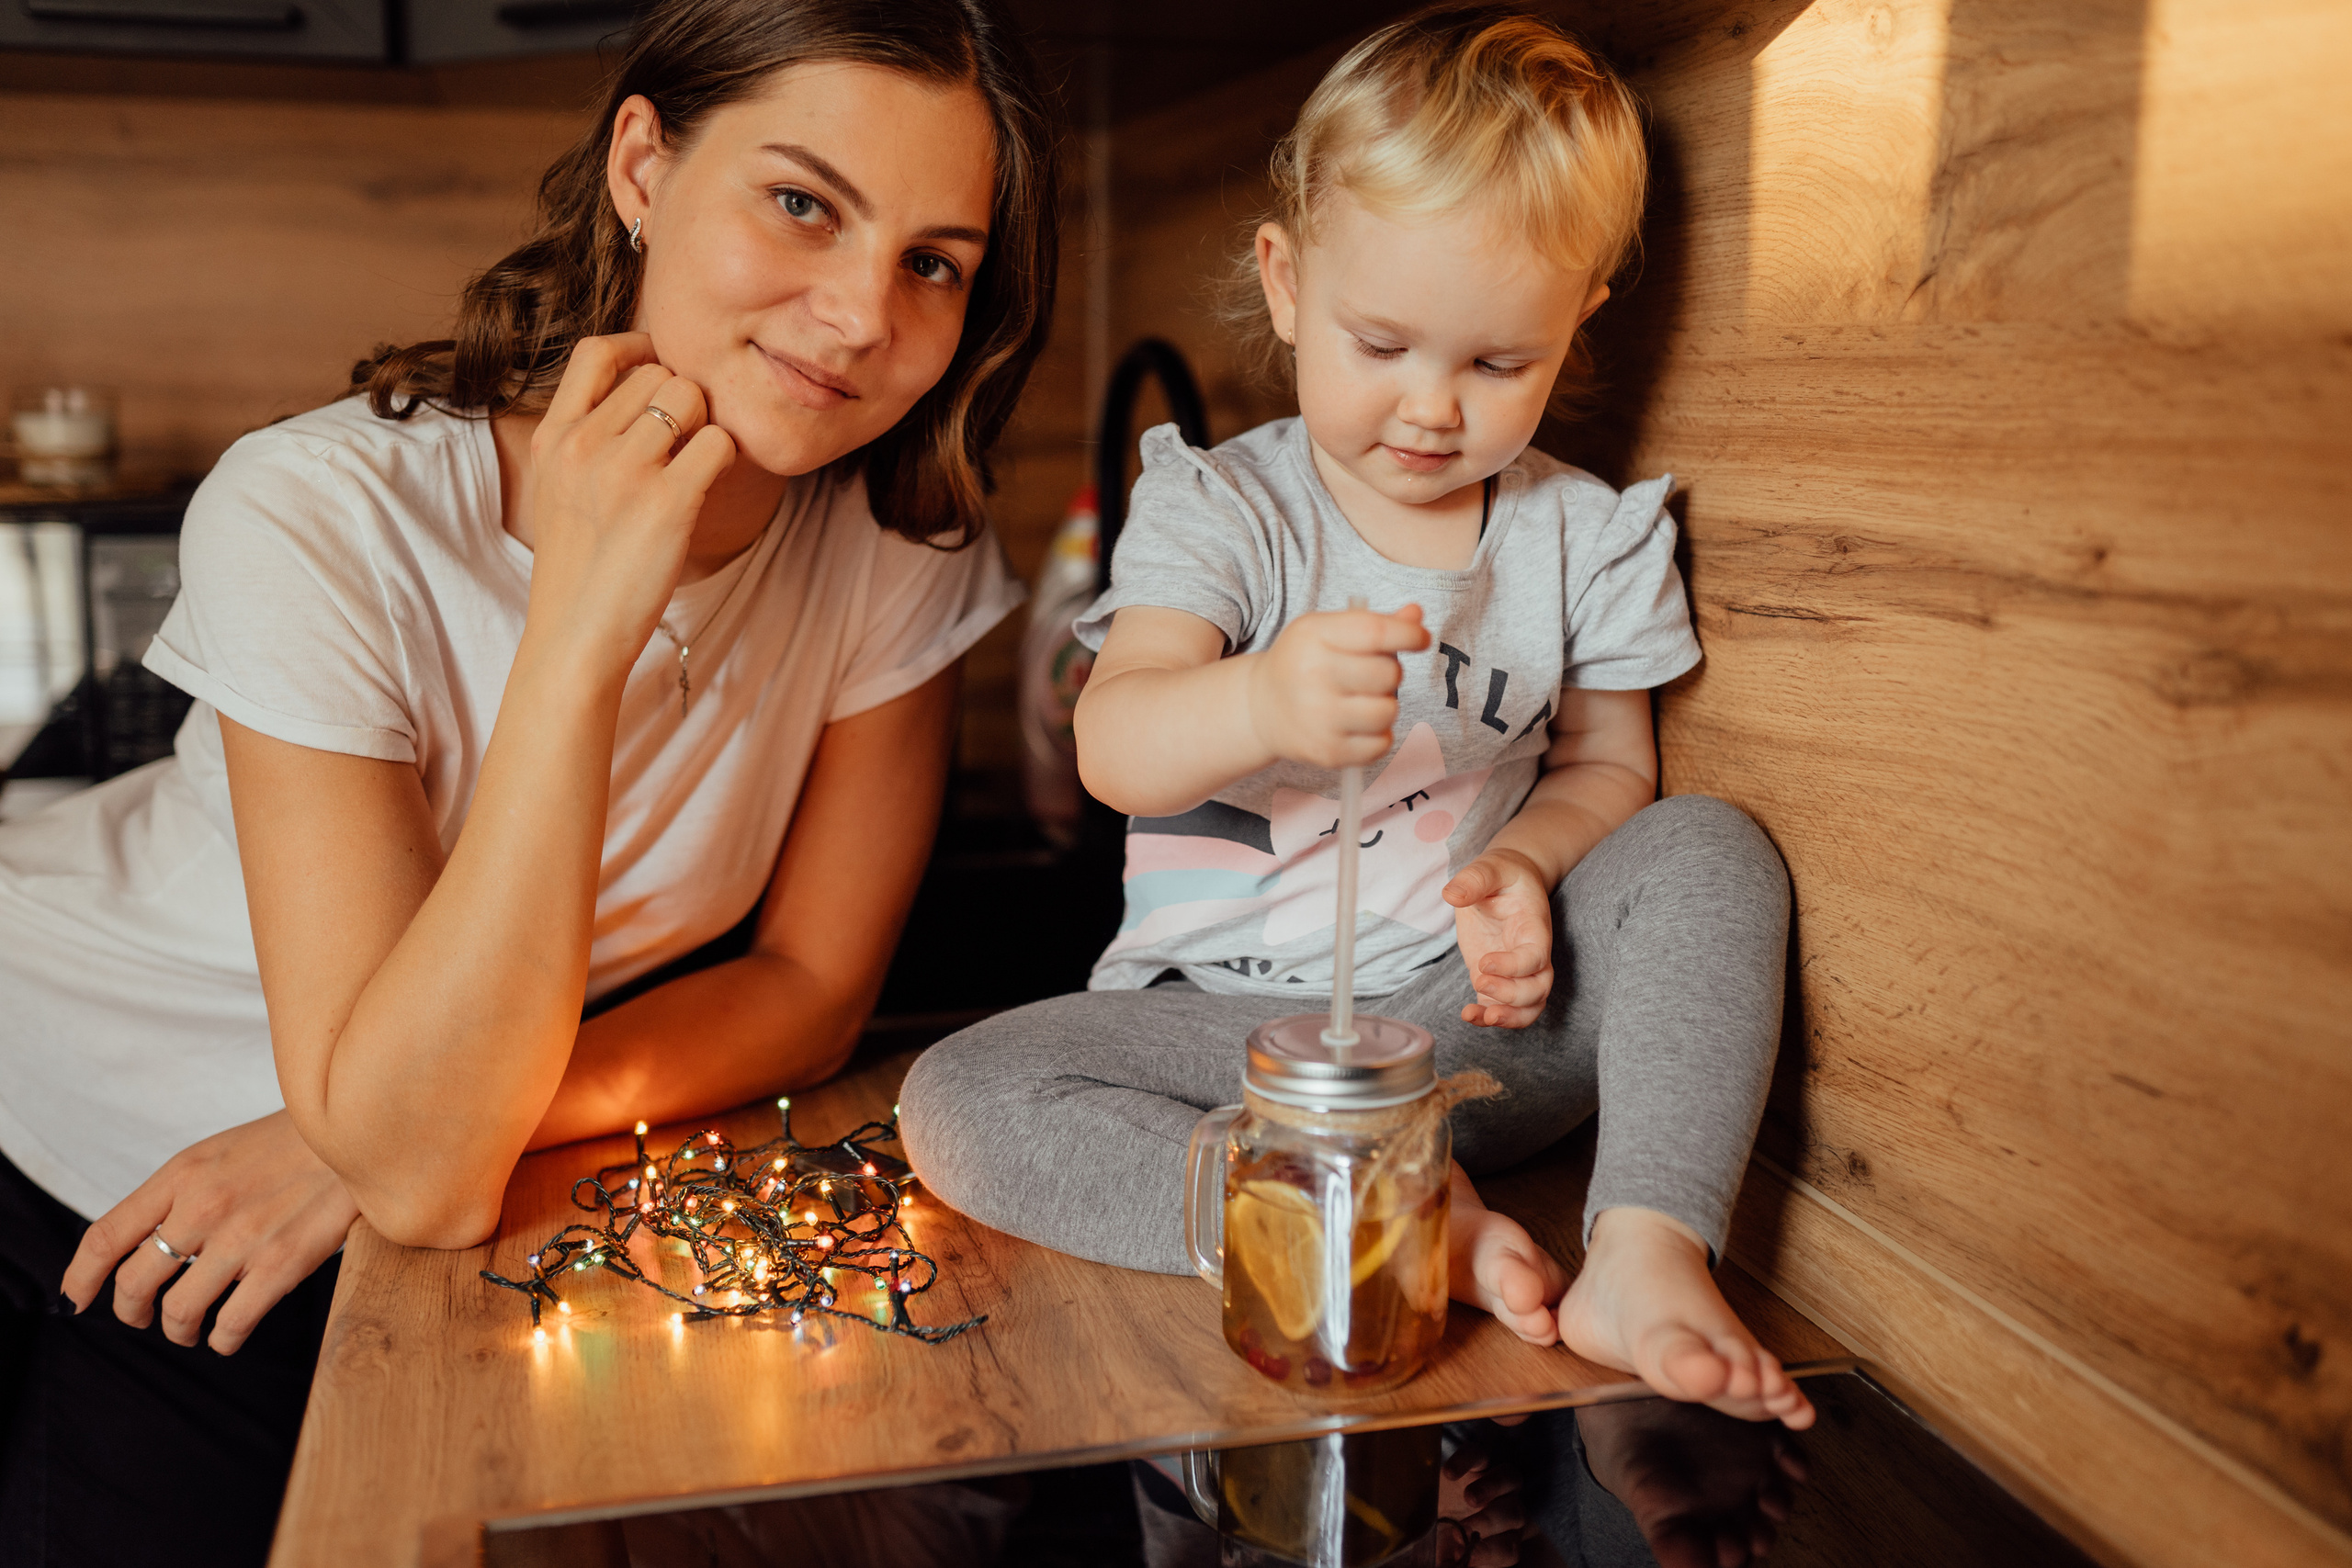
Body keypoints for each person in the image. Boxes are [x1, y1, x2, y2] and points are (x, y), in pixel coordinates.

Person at [0, 2, 1057, 1562]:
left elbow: (813, 985)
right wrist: (580, 624)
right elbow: (420, 1171)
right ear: (644, 162)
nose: (857, 314)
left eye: (932, 261)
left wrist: (350, 1139)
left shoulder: (888, 541)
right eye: (802, 202)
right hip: (81, 1129)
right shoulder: (315, 513)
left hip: (395, 1167)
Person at [899, 5, 1814, 1429]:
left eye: (1498, 364)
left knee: (1709, 847)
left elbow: (1610, 768)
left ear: (1578, 323)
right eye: (1380, 342)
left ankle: (1646, 1245)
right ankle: (1360, 1222)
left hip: (1476, 1037)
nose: (1433, 409)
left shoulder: (1591, 536)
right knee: (955, 1097)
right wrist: (1259, 694)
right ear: (1283, 282)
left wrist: (1528, 866)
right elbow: (1117, 747)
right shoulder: (1222, 508)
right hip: (1224, 1039)